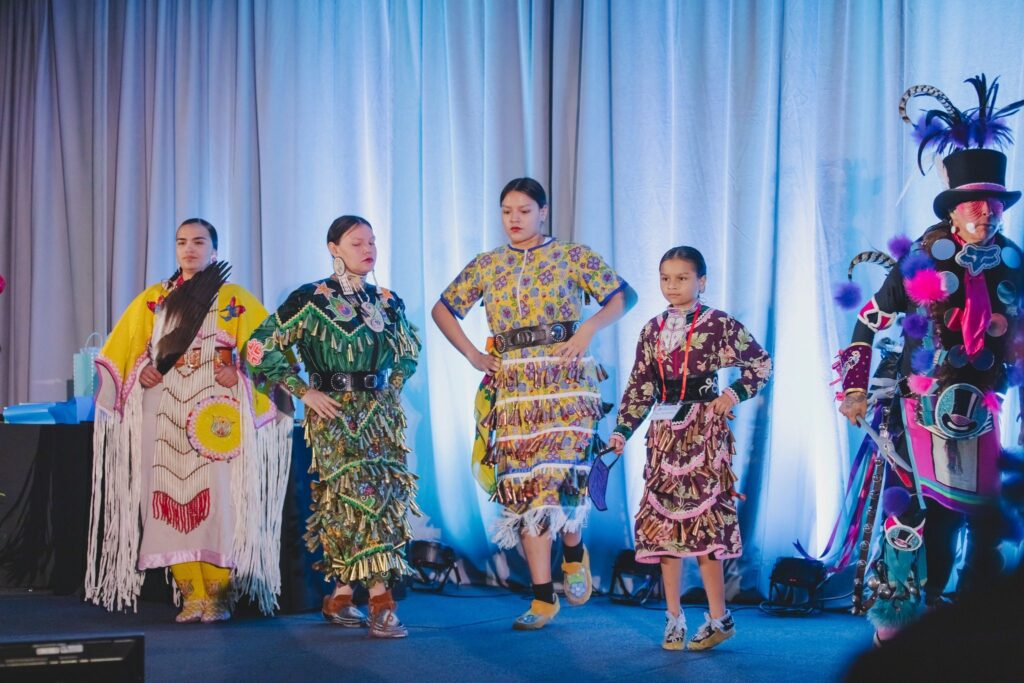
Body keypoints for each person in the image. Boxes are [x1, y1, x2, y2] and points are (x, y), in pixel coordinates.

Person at [835, 75, 1024, 642]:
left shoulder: (1012, 262)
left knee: (988, 519)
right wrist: (852, 386)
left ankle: (973, 617)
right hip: (921, 405)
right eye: (974, 205)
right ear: (954, 209)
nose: (984, 215)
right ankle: (905, 621)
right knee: (931, 517)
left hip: (982, 406)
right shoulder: (925, 257)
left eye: (992, 205)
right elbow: (868, 319)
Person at [432, 177, 635, 630]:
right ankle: (543, 598)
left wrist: (588, 329)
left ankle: (575, 546)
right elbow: (444, 308)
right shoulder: (488, 265)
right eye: (507, 211)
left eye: (524, 210)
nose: (515, 219)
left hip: (566, 378)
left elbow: (623, 295)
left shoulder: (571, 255)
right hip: (515, 387)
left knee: (565, 476)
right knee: (526, 490)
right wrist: (473, 354)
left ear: (543, 212)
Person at [86, 218, 292, 623]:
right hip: (163, 413)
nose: (189, 249)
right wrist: (143, 368)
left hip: (216, 418)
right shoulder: (154, 301)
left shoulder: (234, 299)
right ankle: (191, 594)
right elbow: (122, 350)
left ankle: (218, 595)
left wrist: (239, 371)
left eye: (199, 242)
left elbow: (268, 347)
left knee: (219, 502)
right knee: (164, 499)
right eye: (181, 242)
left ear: (214, 250)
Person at [247, 215, 421, 638]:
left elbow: (410, 348)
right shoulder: (310, 300)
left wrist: (390, 386)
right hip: (333, 415)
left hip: (379, 418)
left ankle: (341, 595)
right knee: (350, 500)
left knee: (378, 498)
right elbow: (256, 348)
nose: (368, 249)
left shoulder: (386, 300)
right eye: (357, 241)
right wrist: (302, 391)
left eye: (372, 242)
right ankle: (380, 599)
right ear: (333, 247)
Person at [607, 246, 772, 651]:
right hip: (664, 435)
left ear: (702, 281)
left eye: (682, 278)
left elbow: (760, 364)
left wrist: (731, 395)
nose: (672, 286)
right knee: (666, 529)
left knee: (704, 527)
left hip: (703, 435)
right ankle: (674, 618)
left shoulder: (718, 325)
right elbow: (640, 387)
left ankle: (719, 618)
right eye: (666, 278)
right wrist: (621, 431)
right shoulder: (651, 329)